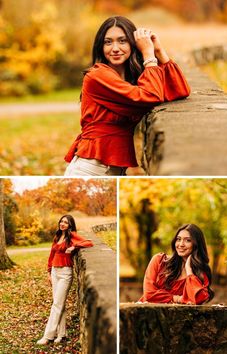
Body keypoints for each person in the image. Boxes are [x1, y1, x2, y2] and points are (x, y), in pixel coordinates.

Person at [64, 16, 190, 176]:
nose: (115, 48)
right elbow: (151, 96)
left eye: (122, 41)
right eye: (108, 42)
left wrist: (158, 51)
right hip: (90, 167)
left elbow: (180, 90)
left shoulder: (135, 79)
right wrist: (148, 55)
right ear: (100, 47)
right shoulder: (97, 76)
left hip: (112, 169)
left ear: (133, 44)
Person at [37, 215, 93, 345]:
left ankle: (48, 336)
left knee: (56, 304)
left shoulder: (71, 235)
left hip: (65, 273)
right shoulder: (57, 236)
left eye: (66, 223)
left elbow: (89, 242)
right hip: (55, 272)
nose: (62, 224)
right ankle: (61, 335)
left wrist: (75, 247)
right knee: (59, 304)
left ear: (70, 225)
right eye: (61, 221)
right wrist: (49, 272)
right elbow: (52, 255)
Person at [138, 224, 214, 305]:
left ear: (196, 245)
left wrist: (189, 270)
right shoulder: (159, 261)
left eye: (188, 240)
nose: (181, 244)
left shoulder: (200, 272)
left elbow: (197, 299)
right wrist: (177, 298)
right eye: (178, 239)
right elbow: (149, 294)